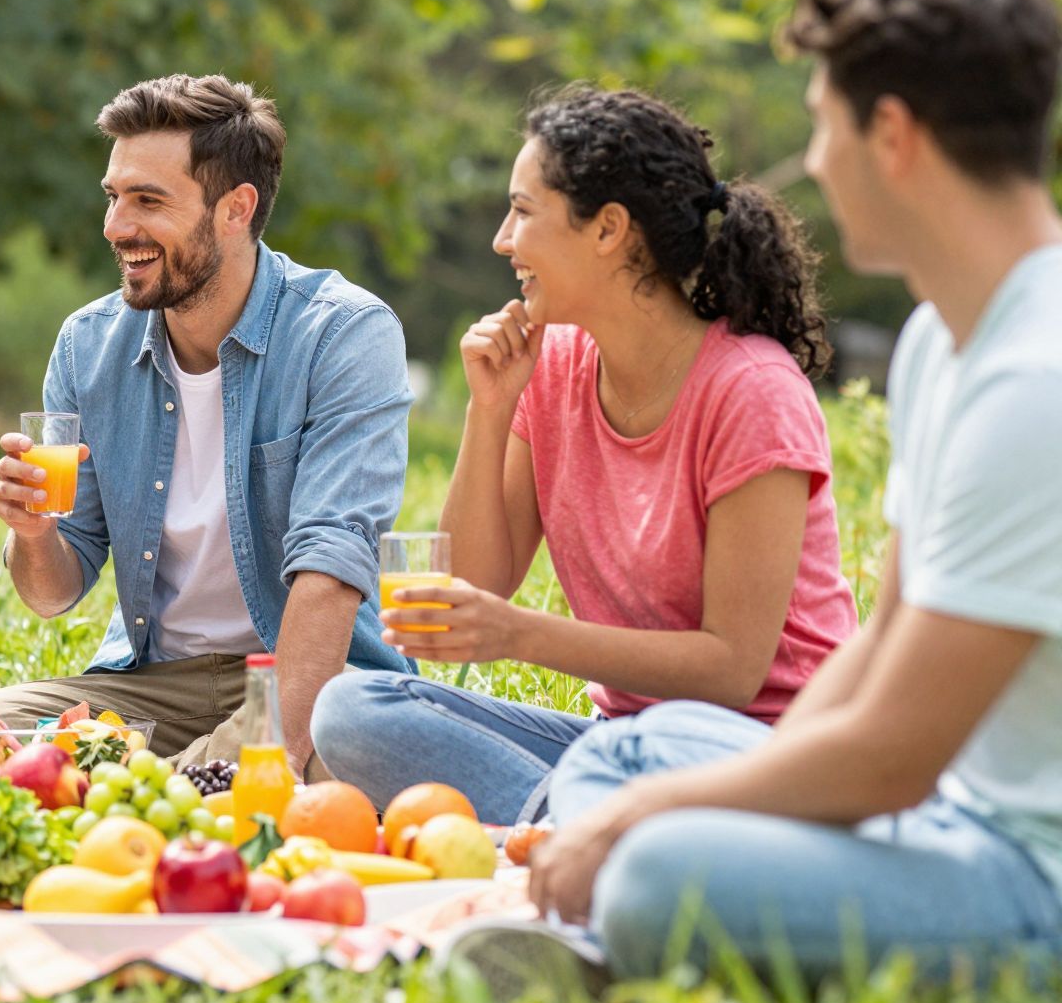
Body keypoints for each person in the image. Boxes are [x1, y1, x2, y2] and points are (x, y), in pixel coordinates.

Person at [524, 0, 1062, 984]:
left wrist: (651, 817)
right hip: (937, 808)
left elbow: (893, 755)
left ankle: (587, 931)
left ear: (892, 134)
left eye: (822, 124)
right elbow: (877, 649)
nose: (813, 161)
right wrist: (718, 783)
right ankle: (590, 905)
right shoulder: (943, 340)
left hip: (1023, 869)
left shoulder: (1032, 382)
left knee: (651, 868)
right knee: (639, 745)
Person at [310, 87, 857, 824]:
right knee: (351, 708)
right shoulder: (557, 366)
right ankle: (582, 823)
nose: (504, 239)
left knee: (631, 753)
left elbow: (733, 670)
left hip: (761, 753)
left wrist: (521, 635)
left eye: (524, 212)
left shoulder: (752, 393)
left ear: (608, 230)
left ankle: (577, 827)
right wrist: (491, 408)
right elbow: (475, 584)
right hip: (620, 747)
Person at [0, 73, 414, 775]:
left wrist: (199, 770)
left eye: (147, 201)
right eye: (113, 197)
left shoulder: (343, 335)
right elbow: (52, 593)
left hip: (311, 680)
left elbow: (330, 572)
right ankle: (172, 798)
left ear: (236, 209)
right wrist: (34, 533)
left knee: (340, 763)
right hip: (157, 686)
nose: (115, 226)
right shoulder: (88, 345)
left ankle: (172, 797)